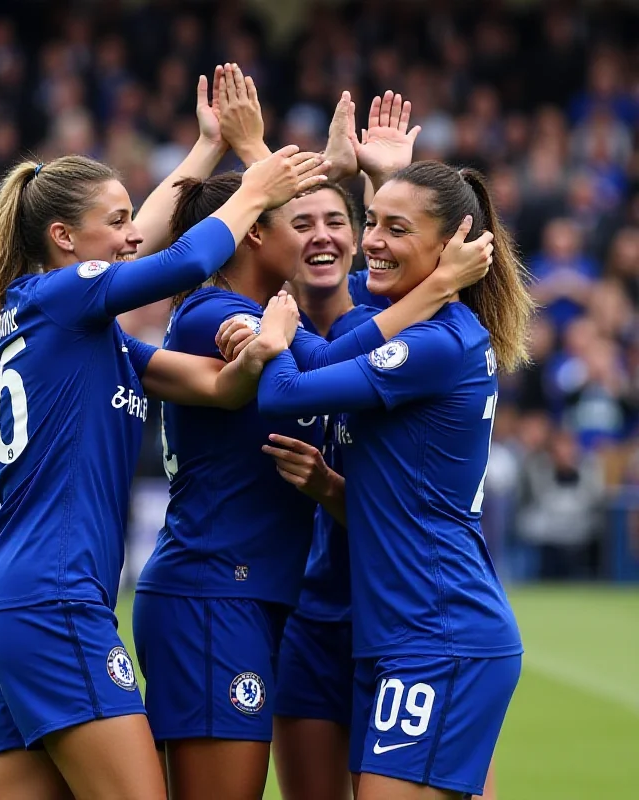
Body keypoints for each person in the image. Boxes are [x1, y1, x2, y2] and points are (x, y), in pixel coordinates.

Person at [133, 65, 494, 800]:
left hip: (382, 609)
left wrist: (378, 185)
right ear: (259, 230)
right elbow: (302, 364)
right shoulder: (233, 316)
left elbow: (386, 284)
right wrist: (256, 156)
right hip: (248, 594)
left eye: (342, 223)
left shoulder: (369, 314)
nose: (323, 235)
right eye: (299, 220)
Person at [0, 136, 330, 800]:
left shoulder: (75, 330)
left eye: (134, 217)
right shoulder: (64, 296)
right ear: (65, 237)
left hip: (0, 610)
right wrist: (253, 191)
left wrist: (206, 149)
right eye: (118, 221)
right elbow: (185, 258)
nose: (134, 236)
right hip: (54, 601)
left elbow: (220, 388)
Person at [254, 159, 533, 800]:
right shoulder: (394, 326)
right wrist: (329, 488)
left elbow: (287, 391)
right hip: (394, 632)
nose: (372, 240)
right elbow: (329, 343)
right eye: (371, 220)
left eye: (394, 228)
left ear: (451, 251)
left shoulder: (436, 344)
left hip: (441, 629)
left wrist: (270, 338)